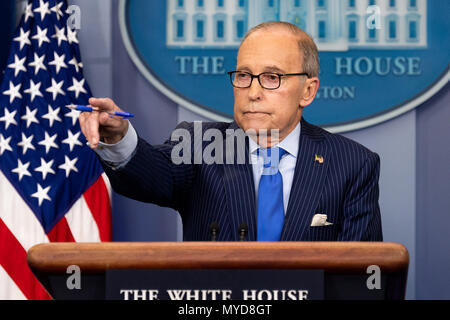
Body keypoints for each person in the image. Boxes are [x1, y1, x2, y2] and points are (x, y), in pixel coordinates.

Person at [79, 21, 382, 241]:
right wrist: (118, 137)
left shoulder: (352, 163)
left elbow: (361, 275)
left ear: (308, 91)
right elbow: (151, 175)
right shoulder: (201, 145)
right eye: (244, 76)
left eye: (272, 77)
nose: (252, 91)